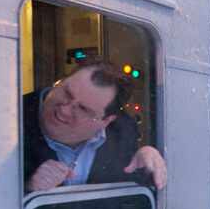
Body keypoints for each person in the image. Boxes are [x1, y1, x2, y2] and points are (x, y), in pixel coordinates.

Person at [23, 60, 166, 193]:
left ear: (106, 121)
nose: (64, 110)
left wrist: (148, 162)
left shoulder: (122, 131)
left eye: (83, 109)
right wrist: (28, 189)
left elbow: (126, 202)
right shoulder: (13, 117)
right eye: (66, 92)